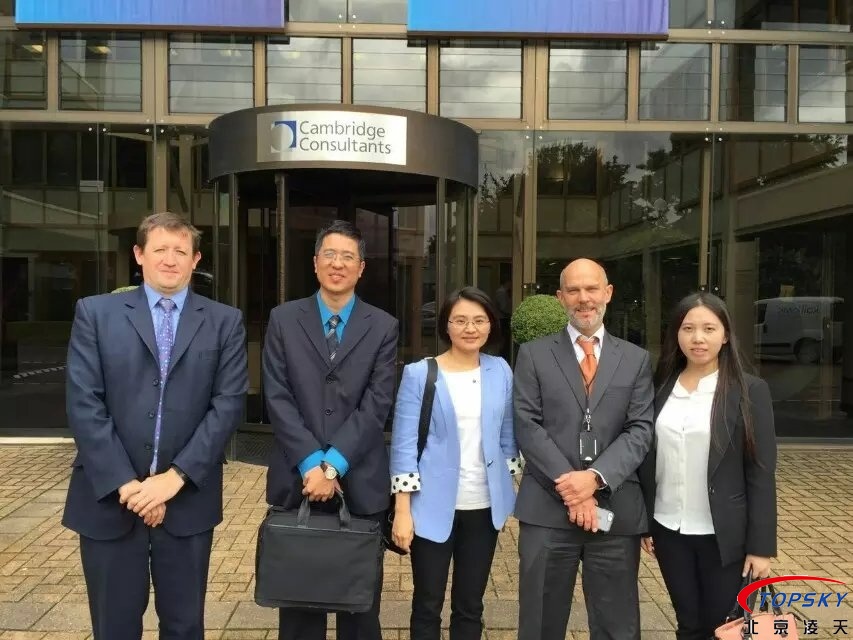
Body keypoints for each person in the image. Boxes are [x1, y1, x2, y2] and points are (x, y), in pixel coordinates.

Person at [63, 212, 249, 640]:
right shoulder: (95, 313)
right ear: (139, 254)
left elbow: (227, 405)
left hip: (187, 501)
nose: (170, 259)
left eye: (180, 251)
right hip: (109, 498)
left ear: (195, 259)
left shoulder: (224, 321)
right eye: (160, 249)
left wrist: (174, 479)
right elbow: (84, 403)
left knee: (184, 626)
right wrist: (129, 486)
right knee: (113, 627)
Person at [263, 220, 398, 640]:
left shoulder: (383, 326)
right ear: (315, 262)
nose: (338, 264)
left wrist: (333, 464)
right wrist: (311, 463)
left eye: (348, 257)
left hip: (360, 482)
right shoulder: (284, 319)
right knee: (299, 609)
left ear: (361, 268)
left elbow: (377, 403)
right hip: (297, 480)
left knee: (360, 610)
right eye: (330, 255)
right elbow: (277, 395)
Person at [513, 258, 654, 640]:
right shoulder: (533, 354)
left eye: (592, 288)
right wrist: (573, 490)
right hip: (547, 509)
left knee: (616, 625)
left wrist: (594, 479)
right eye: (573, 290)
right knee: (540, 623)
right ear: (560, 298)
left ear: (608, 293)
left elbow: (640, 429)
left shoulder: (636, 359)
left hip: (615, 511)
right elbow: (527, 424)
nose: (584, 298)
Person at [638, 292, 777, 640]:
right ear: (676, 334)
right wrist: (644, 523)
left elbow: (760, 473)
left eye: (709, 329)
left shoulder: (750, 391)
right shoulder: (659, 387)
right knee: (688, 623)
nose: (697, 338)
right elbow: (646, 458)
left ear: (726, 335)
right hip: (669, 530)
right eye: (688, 328)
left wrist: (761, 547)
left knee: (723, 626)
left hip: (724, 536)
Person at [389, 286, 522, 640]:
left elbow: (508, 437)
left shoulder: (500, 370)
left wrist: (510, 488)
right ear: (446, 326)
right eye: (460, 320)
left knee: (470, 605)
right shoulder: (421, 373)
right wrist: (402, 511)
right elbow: (403, 445)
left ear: (491, 325)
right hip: (430, 506)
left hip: (483, 507)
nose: (470, 328)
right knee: (427, 603)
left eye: (479, 320)